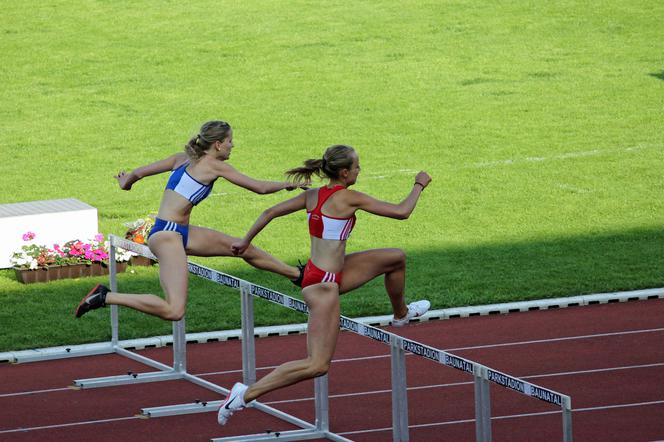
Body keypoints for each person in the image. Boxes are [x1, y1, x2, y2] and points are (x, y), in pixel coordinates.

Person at [217, 144, 431, 425]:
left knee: (395, 258)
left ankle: (401, 315)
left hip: (330, 272)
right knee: (317, 365)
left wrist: (245, 241)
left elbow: (269, 212)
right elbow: (402, 212)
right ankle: (244, 395)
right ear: (344, 172)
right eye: (357, 166)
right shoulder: (349, 198)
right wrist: (419, 184)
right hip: (322, 286)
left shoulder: (313, 196)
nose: (359, 170)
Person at [75, 120, 307, 320]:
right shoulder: (215, 166)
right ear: (217, 144)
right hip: (167, 237)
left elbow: (138, 173)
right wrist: (289, 184)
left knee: (241, 247)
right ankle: (105, 296)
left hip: (179, 231)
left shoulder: (181, 159)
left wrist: (125, 182)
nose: (232, 145)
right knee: (174, 310)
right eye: (229, 141)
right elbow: (259, 187)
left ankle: (298, 275)